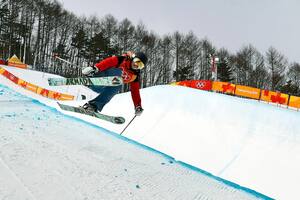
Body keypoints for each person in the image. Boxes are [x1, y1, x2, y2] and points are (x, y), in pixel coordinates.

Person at [81, 51, 147, 116]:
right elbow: (108, 62)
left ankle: (93, 106)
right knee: (118, 74)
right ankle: (90, 81)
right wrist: (95, 68)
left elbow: (135, 92)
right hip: (99, 78)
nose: (136, 65)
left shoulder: (134, 76)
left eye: (140, 65)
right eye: (136, 61)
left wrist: (138, 106)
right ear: (133, 58)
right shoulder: (123, 60)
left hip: (102, 89)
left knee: (118, 85)